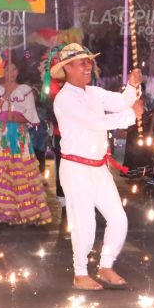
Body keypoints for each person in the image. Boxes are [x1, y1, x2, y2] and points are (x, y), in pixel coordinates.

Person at [49, 43, 143, 291]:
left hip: (99, 167)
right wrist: (131, 116)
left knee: (118, 218)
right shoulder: (64, 99)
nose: (88, 66)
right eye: (82, 62)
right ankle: (80, 273)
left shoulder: (94, 92)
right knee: (84, 223)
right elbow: (96, 122)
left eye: (89, 61)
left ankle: (106, 266)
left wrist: (132, 85)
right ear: (67, 68)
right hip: (76, 168)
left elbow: (122, 102)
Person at [0, 57, 51, 226]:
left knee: (19, 172)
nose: (11, 73)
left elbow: (31, 115)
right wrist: (4, 98)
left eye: (14, 69)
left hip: (19, 135)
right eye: (7, 69)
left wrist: (16, 116)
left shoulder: (25, 90)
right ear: (1, 71)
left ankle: (22, 211)